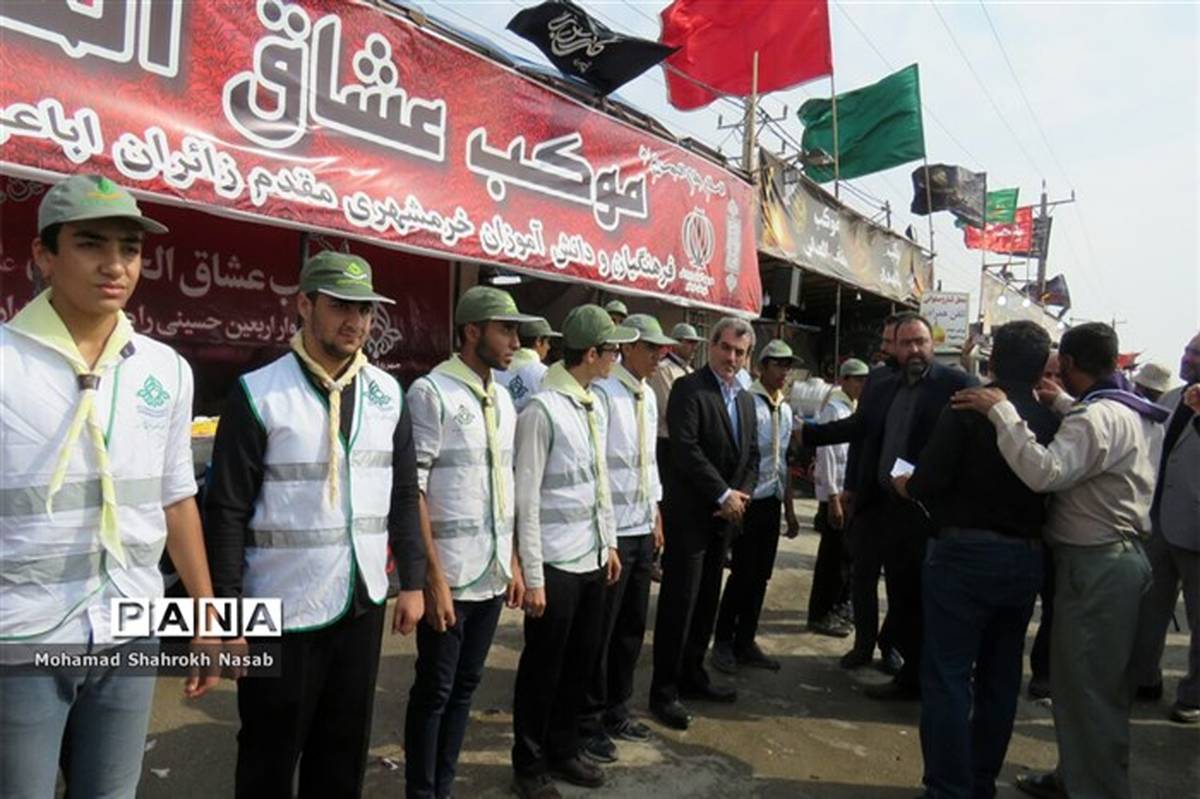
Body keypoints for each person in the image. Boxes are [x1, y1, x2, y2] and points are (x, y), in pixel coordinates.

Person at [0, 174, 221, 798]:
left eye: (130, 247)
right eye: (91, 244)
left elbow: (177, 497)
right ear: (44, 257)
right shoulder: (7, 363)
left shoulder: (163, 369)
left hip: (130, 625)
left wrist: (204, 616)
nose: (115, 264)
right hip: (22, 636)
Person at [205, 250, 428, 797]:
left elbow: (402, 495)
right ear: (304, 305)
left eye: (366, 310)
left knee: (342, 753)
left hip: (360, 603)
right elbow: (226, 509)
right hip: (277, 609)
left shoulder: (387, 394)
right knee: (268, 754)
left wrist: (415, 583)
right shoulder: (259, 393)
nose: (356, 322)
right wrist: (226, 613)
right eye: (340, 307)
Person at [953, 322, 1165, 799]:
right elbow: (1096, 431)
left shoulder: (1097, 418)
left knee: (1090, 691)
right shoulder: (1125, 409)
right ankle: (1077, 777)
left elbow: (1045, 472)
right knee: (1081, 685)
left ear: (1067, 364)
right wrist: (1060, 404)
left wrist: (1004, 413)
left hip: (1098, 567)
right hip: (1108, 564)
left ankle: (1095, 789)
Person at [893, 321, 1059, 799]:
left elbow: (927, 482)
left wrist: (904, 484)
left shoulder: (967, 408)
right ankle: (981, 781)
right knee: (1001, 678)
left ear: (991, 361)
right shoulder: (1051, 420)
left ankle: (948, 788)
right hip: (1024, 561)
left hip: (962, 558)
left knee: (947, 677)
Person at [403, 286, 535, 799]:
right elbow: (412, 490)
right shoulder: (431, 393)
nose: (515, 341)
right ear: (472, 331)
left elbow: (507, 485)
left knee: (464, 690)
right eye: (506, 330)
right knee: (434, 691)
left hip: (492, 572)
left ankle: (445, 786)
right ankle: (422, 791)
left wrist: (515, 562)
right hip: (451, 575)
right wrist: (430, 579)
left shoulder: (502, 398)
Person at [803, 313, 977, 698]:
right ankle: (864, 645)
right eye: (906, 343)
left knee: (906, 591)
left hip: (916, 510)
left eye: (921, 341)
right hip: (873, 502)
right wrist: (813, 440)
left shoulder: (957, 385)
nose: (915, 350)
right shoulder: (880, 381)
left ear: (932, 343)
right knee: (862, 578)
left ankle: (900, 659)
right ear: (892, 347)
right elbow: (861, 433)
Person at [510, 304, 634, 799]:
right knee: (543, 668)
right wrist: (534, 576)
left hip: (591, 559)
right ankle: (529, 763)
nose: (617, 357)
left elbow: (599, 483)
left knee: (580, 662)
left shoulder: (591, 402)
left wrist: (609, 542)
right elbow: (527, 498)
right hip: (556, 565)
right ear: (590, 354)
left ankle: (563, 748)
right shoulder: (543, 410)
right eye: (612, 350)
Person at [649, 317, 759, 731]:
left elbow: (752, 456)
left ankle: (694, 674)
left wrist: (740, 496)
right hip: (692, 517)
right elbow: (686, 449)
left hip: (725, 519)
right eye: (726, 348)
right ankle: (664, 691)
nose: (732, 358)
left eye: (740, 352)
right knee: (680, 603)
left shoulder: (745, 399)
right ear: (712, 347)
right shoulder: (688, 389)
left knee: (707, 601)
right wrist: (722, 494)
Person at [578, 314, 674, 764]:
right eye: (651, 348)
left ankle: (618, 708)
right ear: (629, 347)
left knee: (632, 628)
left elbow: (647, 459)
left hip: (640, 525)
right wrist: (608, 532)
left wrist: (655, 510)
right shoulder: (601, 393)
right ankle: (588, 720)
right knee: (601, 630)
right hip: (612, 531)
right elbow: (596, 467)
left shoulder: (646, 396)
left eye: (660, 349)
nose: (659, 356)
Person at [801, 315, 905, 671]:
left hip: (891, 500)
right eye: (858, 379)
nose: (863, 384)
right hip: (855, 498)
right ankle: (846, 630)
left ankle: (881, 638)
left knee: (877, 573)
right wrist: (839, 493)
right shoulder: (855, 398)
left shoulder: (929, 387)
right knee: (846, 567)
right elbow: (844, 447)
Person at [711, 339, 801, 673]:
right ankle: (723, 641)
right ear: (762, 367)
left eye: (788, 366)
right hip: (749, 500)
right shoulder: (749, 403)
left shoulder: (785, 408)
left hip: (772, 502)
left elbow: (785, 462)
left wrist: (789, 509)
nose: (784, 372)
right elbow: (738, 456)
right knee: (742, 574)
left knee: (760, 576)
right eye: (778, 364)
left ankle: (745, 640)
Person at [1132, 332, 1200, 725]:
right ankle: (1145, 678)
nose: (1187, 357)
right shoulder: (1174, 398)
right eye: (1188, 349)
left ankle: (1192, 695)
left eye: (1196, 353)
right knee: (1149, 607)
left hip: (1195, 530)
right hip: (1158, 521)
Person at [806, 358, 870, 638]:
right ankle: (821, 613)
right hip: (836, 496)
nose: (861, 384)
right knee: (831, 559)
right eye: (856, 379)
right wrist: (832, 497)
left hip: (847, 495)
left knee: (846, 557)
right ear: (843, 380)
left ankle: (839, 604)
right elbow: (828, 455)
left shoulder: (852, 408)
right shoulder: (834, 409)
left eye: (864, 380)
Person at [1028, 349, 1063, 699]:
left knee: (1054, 606)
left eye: (1058, 376)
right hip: (1023, 531)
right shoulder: (1020, 413)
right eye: (1045, 376)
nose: (1049, 384)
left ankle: (1044, 672)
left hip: (1059, 531)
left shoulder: (1076, 420)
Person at [496, 317, 561, 411]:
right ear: (538, 341)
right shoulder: (545, 375)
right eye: (547, 342)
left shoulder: (494, 370)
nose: (548, 347)